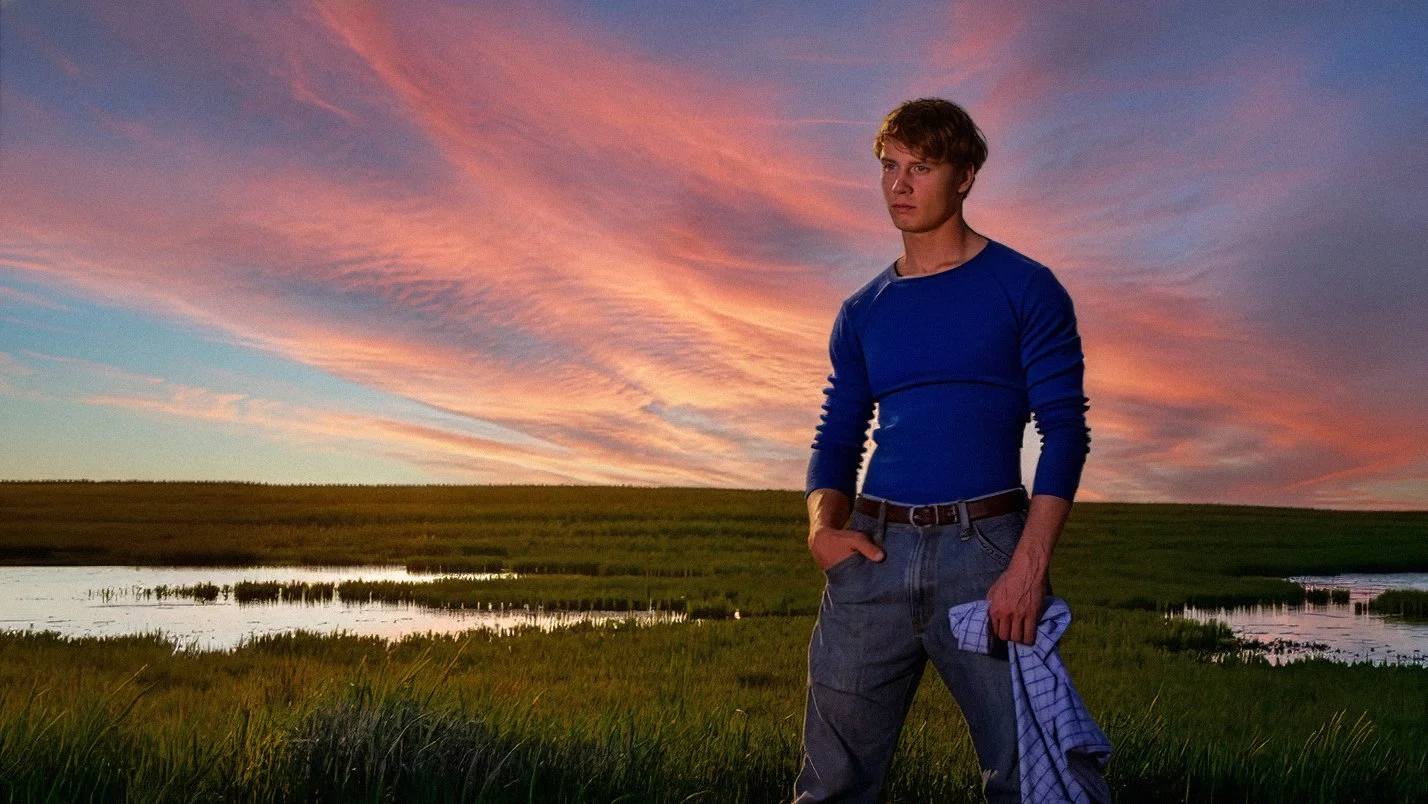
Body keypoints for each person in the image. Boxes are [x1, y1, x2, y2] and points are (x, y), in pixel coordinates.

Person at [794, 98, 1097, 803]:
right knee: (830, 786)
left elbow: (1064, 429)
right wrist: (821, 530)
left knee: (1031, 781)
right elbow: (837, 435)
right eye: (889, 166)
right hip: (872, 554)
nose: (899, 185)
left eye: (921, 168)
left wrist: (1029, 565)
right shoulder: (862, 310)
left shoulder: (1026, 287)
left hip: (986, 554)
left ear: (964, 177)